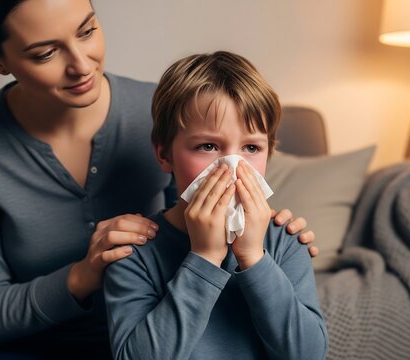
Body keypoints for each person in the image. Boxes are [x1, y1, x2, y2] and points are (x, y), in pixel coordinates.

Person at [0, 1, 317, 358]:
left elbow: (195, 211)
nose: (82, 65)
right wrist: (84, 274)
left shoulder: (179, 107)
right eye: (46, 53)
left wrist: (272, 241)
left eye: (87, 31)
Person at [104, 51, 328, 360]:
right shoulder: (136, 252)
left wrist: (254, 257)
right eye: (207, 146)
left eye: (251, 147)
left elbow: (307, 354)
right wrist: (204, 257)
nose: (232, 166)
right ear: (164, 154)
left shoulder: (284, 239)